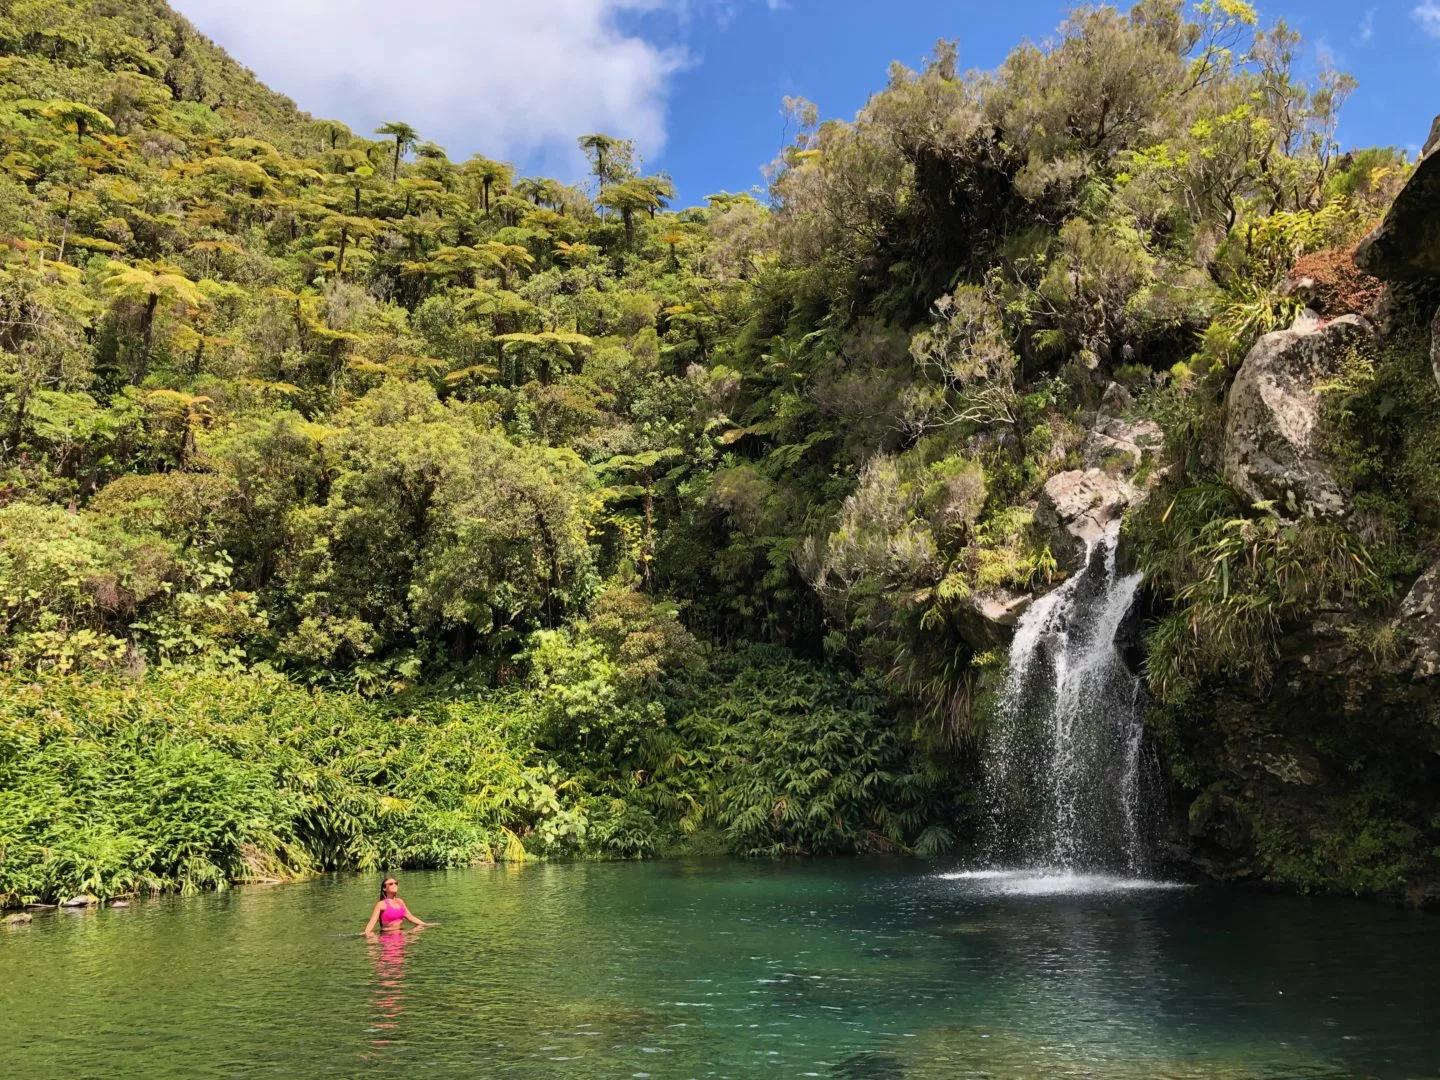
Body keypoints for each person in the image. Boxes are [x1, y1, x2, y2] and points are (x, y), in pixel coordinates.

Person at [364, 876, 429, 935]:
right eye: (391, 884)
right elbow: (372, 923)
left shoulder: (400, 901)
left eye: (396, 883)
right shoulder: (381, 904)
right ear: (384, 888)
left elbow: (410, 917)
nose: (394, 885)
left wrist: (425, 924)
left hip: (401, 935)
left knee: (419, 928)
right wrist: (367, 933)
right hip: (388, 936)